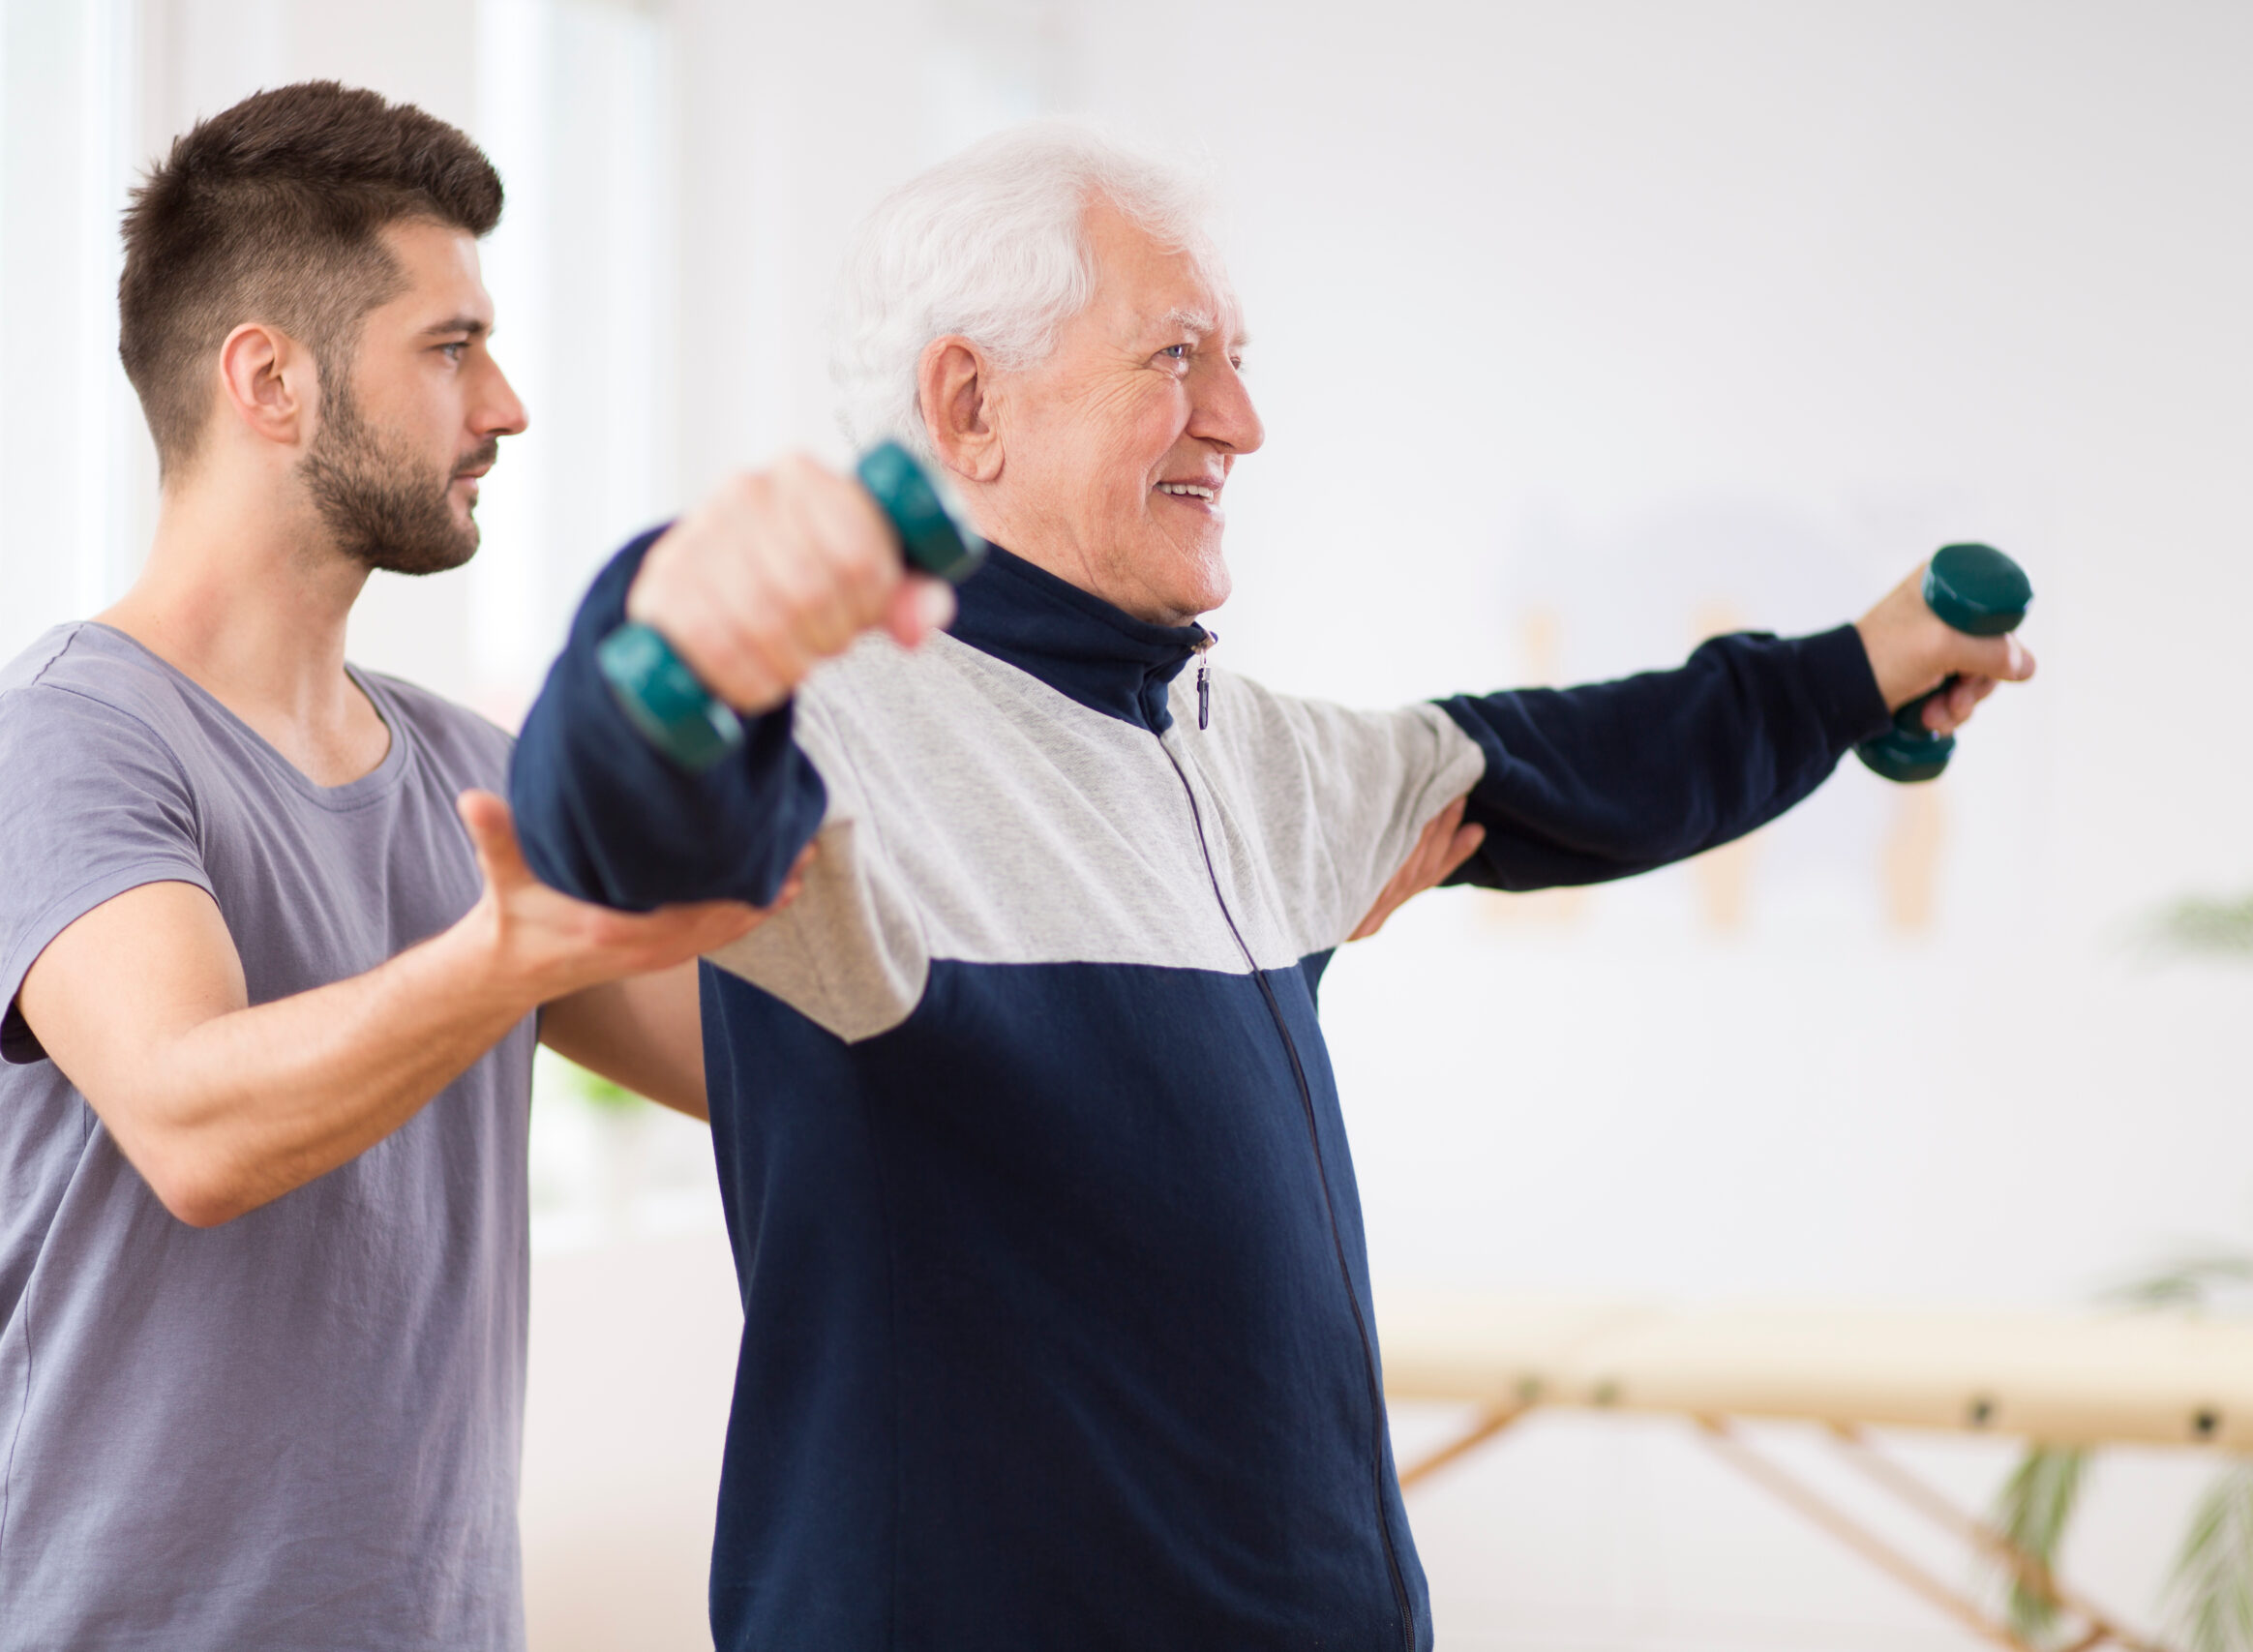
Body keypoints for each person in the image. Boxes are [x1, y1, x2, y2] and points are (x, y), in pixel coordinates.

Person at [506, 123, 2033, 1650]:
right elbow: (611, 812)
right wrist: (674, 621)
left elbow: (1566, 761)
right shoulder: (833, 740)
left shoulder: (1228, 749)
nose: (1239, 420)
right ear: (970, 405)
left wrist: (1859, 673)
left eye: (1235, 358)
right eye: (1176, 356)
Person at [0, 81, 784, 1651]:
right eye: (451, 348)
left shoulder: (471, 771)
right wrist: (510, 956)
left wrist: (811, 752)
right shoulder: (68, 744)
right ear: (271, 380)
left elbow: (759, 1064)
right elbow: (195, 1121)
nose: (504, 405)